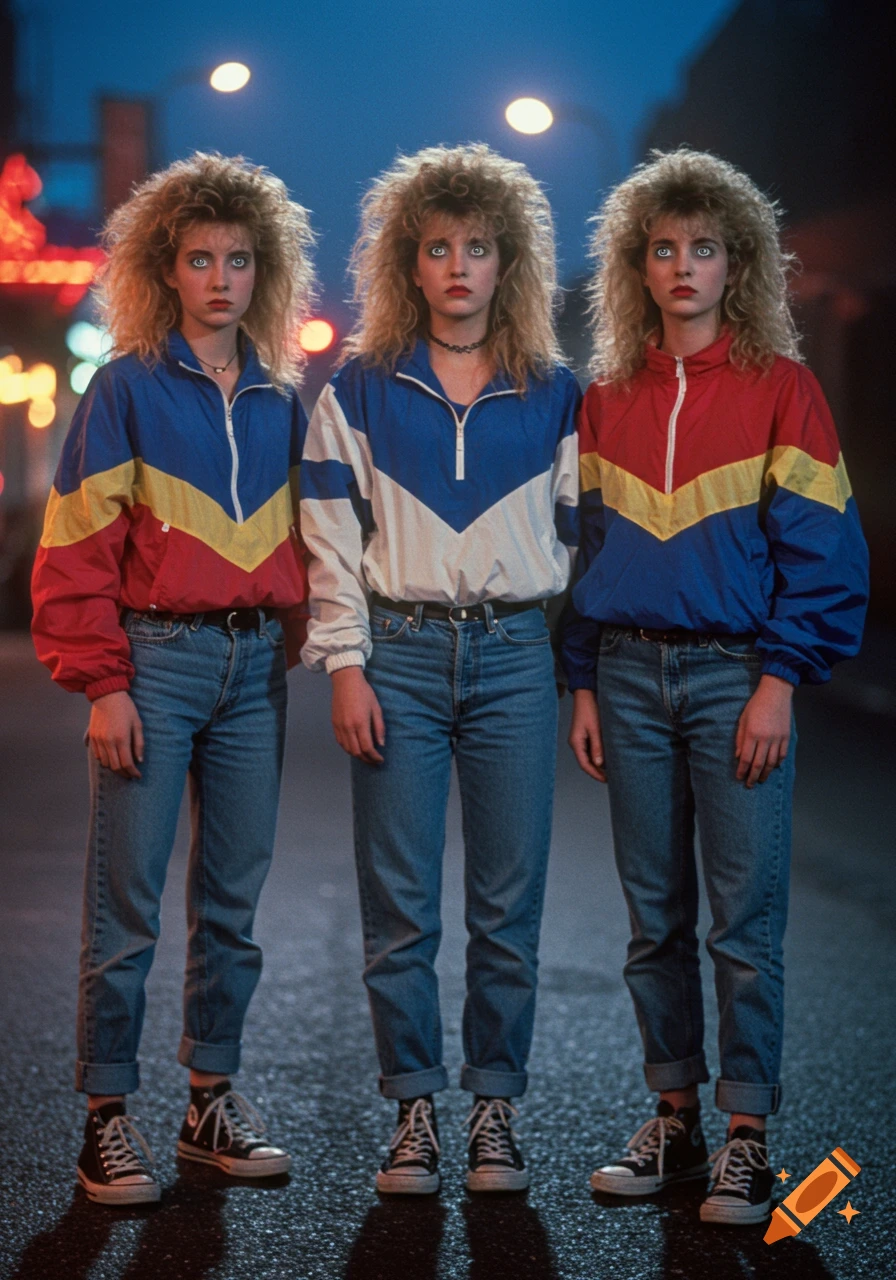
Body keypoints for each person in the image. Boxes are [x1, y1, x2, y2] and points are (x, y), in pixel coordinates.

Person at [562, 148, 868, 1225]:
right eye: (662, 249)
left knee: (743, 920)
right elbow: (581, 547)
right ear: (634, 267)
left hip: (737, 674)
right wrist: (582, 683)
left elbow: (825, 553)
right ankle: (674, 1119)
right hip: (626, 677)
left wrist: (779, 678)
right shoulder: (601, 399)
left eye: (702, 248)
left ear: (733, 263)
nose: (681, 265)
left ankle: (747, 1138)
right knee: (654, 918)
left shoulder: (781, 385)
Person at [31, 152, 316, 1205]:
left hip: (254, 670)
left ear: (262, 271)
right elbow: (74, 549)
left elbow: (308, 532)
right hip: (151, 663)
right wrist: (103, 679)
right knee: (128, 906)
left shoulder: (284, 396)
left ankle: (209, 1100)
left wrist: (288, 637)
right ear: (166, 268)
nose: (219, 278)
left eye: (238, 260)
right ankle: (106, 1117)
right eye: (199, 258)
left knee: (232, 903)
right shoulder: (126, 388)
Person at [300, 143, 579, 1194]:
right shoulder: (361, 390)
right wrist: (344, 663)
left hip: (513, 653)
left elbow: (581, 536)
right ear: (407, 267)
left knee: (507, 902)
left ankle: (493, 1110)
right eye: (436, 249)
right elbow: (327, 534)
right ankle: (414, 1109)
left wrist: (577, 667)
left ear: (506, 262)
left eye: (476, 247)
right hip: (400, 655)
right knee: (400, 900)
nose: (457, 265)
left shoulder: (554, 393)